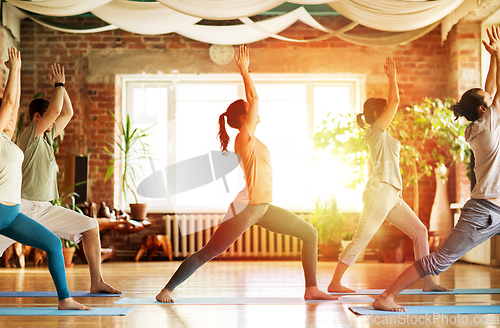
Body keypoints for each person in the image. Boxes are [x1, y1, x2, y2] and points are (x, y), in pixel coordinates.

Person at [156, 45, 335, 303]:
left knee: (310, 233)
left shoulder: (253, 140)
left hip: (264, 208)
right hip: (247, 207)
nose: (257, 113)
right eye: (251, 112)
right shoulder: (244, 138)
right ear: (244, 116)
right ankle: (166, 290)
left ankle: (311, 289)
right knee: (209, 252)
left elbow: (254, 104)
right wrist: (244, 72)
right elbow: (255, 99)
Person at [373, 26, 500, 312]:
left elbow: (490, 91)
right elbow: (496, 92)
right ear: (483, 110)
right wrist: (498, 56)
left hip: (497, 208)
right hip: (484, 212)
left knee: (440, 259)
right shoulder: (489, 127)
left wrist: (493, 57)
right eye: (488, 102)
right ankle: (385, 296)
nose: (492, 101)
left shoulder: (481, 123)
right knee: (439, 259)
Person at [327, 56, 448, 294]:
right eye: (385, 110)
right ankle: (335, 282)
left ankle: (428, 281)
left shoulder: (382, 135)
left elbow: (392, 103)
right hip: (380, 191)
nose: (390, 112)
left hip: (392, 194)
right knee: (362, 238)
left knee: (420, 231)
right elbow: (395, 99)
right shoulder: (375, 132)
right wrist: (392, 77)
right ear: (377, 113)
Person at [0, 62, 120, 295]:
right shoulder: (30, 134)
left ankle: (96, 282)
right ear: (37, 117)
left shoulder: (48, 136)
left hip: (44, 208)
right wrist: (58, 84)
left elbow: (67, 113)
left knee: (90, 226)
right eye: (48, 119)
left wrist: (61, 90)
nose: (55, 123)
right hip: (20, 208)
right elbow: (55, 112)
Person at [0, 46, 90, 310]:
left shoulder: (9, 140)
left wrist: (15, 71)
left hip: (11, 213)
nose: (12, 118)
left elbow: (13, 106)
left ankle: (65, 299)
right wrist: (15, 69)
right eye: (7, 117)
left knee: (52, 243)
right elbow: (9, 103)